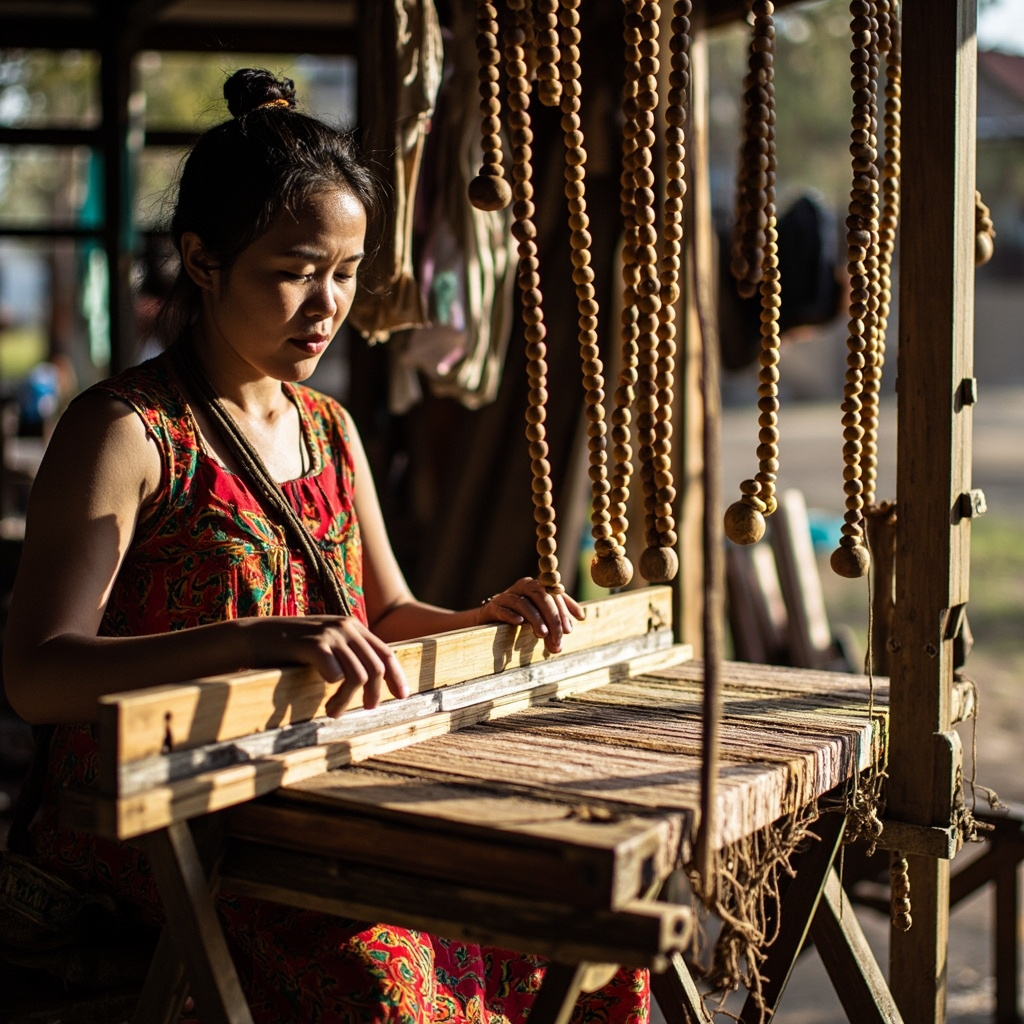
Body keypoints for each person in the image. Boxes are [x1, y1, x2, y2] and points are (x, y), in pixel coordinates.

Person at [1, 69, 650, 1023]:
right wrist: (256, 640)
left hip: (308, 786)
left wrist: (487, 616)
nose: (328, 302)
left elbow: (382, 616)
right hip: (155, 819)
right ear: (203, 259)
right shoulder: (128, 432)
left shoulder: (331, 429)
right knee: (383, 983)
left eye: (346, 272)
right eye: (296, 270)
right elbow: (38, 676)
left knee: (588, 935)